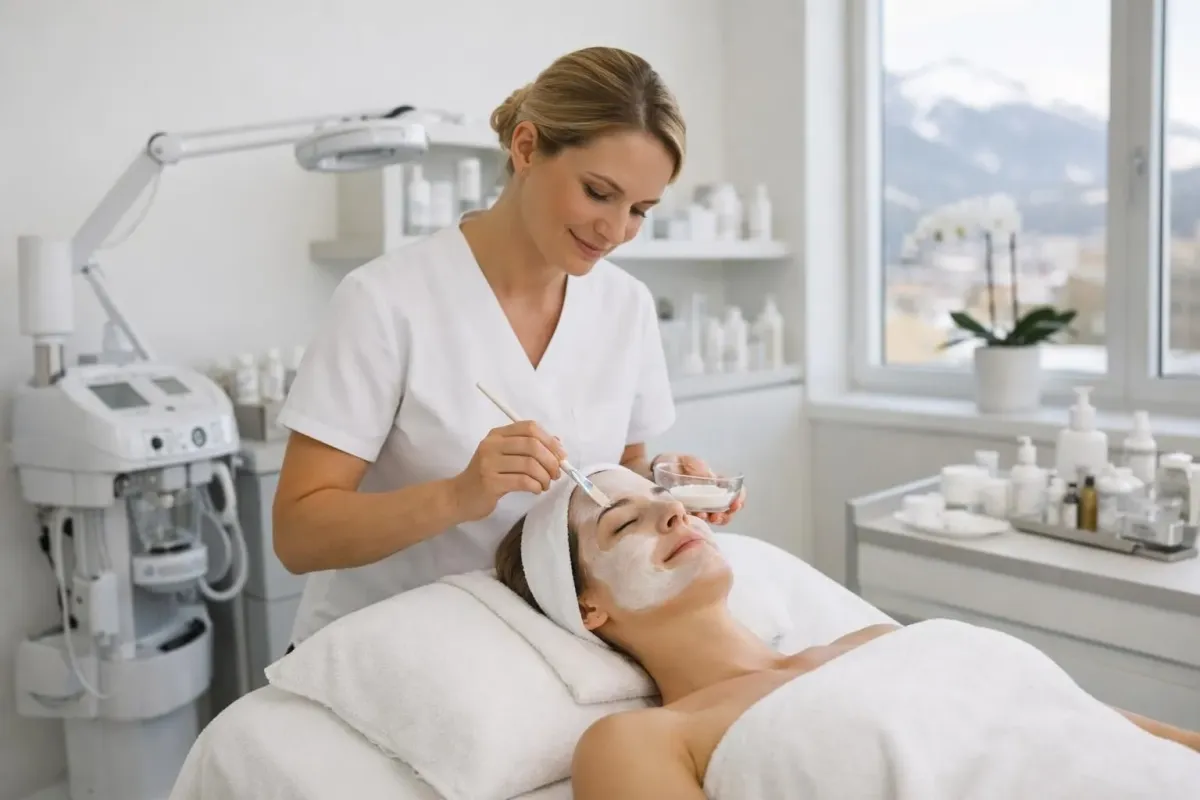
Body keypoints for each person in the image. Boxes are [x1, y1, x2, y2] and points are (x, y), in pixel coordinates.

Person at [272, 45, 745, 648]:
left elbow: (616, 471)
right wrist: (458, 495)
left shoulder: (625, 306)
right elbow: (297, 534)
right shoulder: (385, 301)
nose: (616, 231)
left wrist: (661, 488)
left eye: (640, 210)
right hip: (382, 651)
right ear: (526, 148)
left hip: (534, 652)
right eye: (599, 193)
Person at [494, 465, 1200, 799]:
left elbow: (1095, 726)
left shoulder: (870, 640)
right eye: (625, 524)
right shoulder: (644, 740)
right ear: (590, 610)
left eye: (669, 502)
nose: (675, 516)